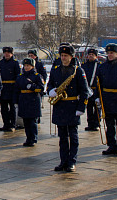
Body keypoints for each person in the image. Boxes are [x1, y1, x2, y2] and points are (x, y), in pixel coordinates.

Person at [47, 44, 89, 172]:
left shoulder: (78, 71)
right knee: (62, 137)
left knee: (73, 136)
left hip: (72, 106)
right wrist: (51, 91)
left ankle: (72, 161)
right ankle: (63, 161)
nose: (63, 58)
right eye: (62, 56)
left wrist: (81, 107)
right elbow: (49, 85)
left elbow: (84, 91)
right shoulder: (55, 69)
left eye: (66, 56)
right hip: (60, 106)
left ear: (72, 57)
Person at [15, 58, 44, 146]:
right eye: (25, 65)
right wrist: (15, 101)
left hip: (33, 100)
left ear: (32, 66)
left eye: (28, 66)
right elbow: (16, 89)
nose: (26, 67)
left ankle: (33, 138)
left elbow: (41, 88)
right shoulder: (20, 76)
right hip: (23, 99)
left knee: (32, 121)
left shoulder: (37, 76)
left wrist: (32, 86)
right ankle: (28, 138)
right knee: (26, 121)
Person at [0, 46, 20, 132]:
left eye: (8, 53)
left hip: (12, 88)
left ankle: (12, 124)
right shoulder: (0, 63)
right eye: (5, 53)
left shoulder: (15, 63)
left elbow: (18, 76)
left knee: (12, 108)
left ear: (12, 54)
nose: (6, 54)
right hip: (3, 88)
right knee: (3, 108)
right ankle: (5, 124)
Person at [80, 48, 101, 132]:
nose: (91, 56)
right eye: (89, 55)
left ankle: (96, 124)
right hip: (87, 89)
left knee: (97, 108)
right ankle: (90, 124)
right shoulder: (84, 65)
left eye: (92, 55)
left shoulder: (99, 65)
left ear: (96, 56)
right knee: (89, 108)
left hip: (96, 89)